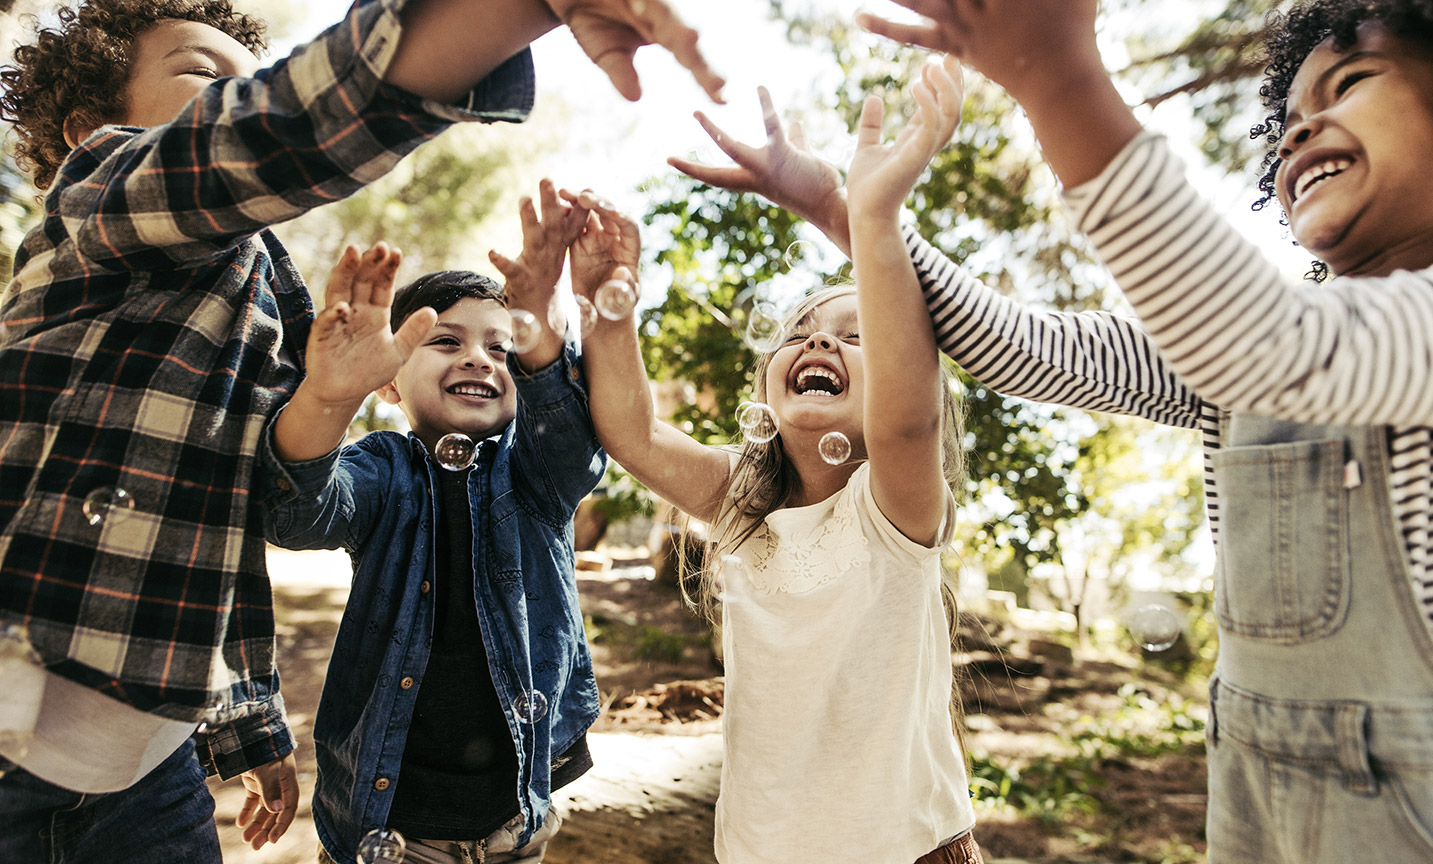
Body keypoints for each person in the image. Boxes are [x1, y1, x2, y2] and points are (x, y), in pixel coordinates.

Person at [678, 0, 1433, 861]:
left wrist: (1059, 79)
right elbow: (1026, 348)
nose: (1299, 133)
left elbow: (1278, 346)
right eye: (1290, 119)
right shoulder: (1246, 345)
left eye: (1347, 85)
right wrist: (851, 211)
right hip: (1261, 797)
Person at [0, 0, 721, 859]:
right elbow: (268, 136)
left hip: (149, 767)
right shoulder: (98, 198)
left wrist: (253, 726)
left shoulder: (269, 294)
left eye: (251, 76)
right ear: (92, 124)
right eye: (205, 74)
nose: (242, 92)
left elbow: (222, 525)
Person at [577, 58, 982, 864]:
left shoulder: (893, 508)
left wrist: (870, 216)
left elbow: (908, 421)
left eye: (859, 334)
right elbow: (633, 434)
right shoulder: (743, 503)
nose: (819, 339)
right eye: (798, 331)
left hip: (903, 850)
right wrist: (607, 307)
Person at [259, 179, 604, 864]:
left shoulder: (534, 474)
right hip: (387, 822)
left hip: (513, 825)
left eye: (503, 349)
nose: (479, 357)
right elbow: (298, 513)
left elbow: (574, 445)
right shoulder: (383, 469)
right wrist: (327, 397)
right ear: (388, 381)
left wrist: (539, 319)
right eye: (446, 341)